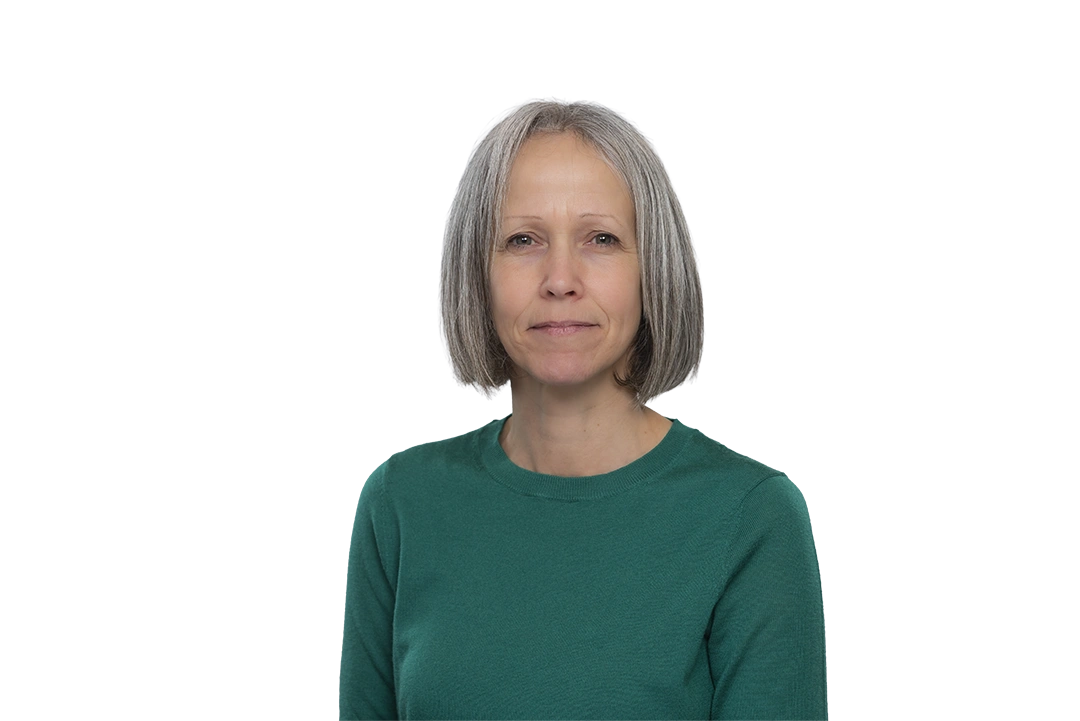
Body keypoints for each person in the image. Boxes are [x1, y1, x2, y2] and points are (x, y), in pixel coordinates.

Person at [339, 98, 828, 720]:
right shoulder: (402, 504)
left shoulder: (751, 517)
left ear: (652, 269)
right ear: (476, 273)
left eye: (601, 238)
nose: (560, 278)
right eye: (522, 240)